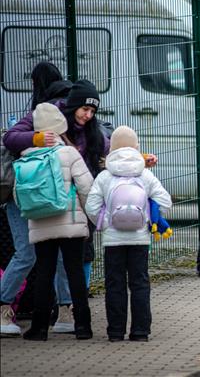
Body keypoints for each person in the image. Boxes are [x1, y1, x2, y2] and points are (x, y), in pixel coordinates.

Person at [0, 63, 74, 337]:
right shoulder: (37, 118)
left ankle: (66, 309)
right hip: (23, 195)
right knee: (27, 253)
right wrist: (38, 137)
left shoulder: (77, 123)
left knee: (57, 255)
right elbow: (11, 138)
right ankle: (3, 306)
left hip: (51, 196)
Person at [85, 126, 171, 342]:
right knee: (140, 283)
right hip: (139, 239)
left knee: (114, 285)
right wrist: (147, 219)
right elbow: (165, 201)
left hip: (112, 241)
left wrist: (106, 222)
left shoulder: (105, 176)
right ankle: (140, 332)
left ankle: (115, 332)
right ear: (136, 147)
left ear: (111, 148)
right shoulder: (145, 174)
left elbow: (91, 206)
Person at [17, 103, 94, 341]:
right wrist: (92, 219)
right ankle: (82, 326)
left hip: (41, 222)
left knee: (44, 273)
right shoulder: (69, 154)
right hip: (70, 220)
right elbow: (87, 188)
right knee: (75, 273)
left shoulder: (26, 156)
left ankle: (39, 328)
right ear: (60, 128)